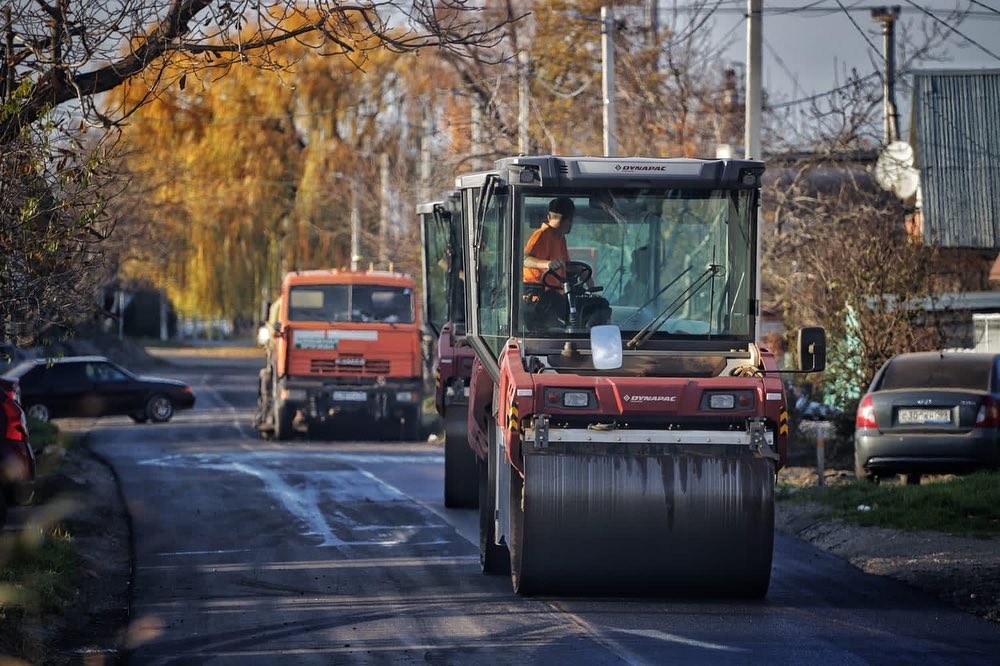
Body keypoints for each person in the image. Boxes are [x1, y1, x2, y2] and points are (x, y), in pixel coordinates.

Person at [522, 197, 610, 330]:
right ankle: (586, 337)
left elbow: (566, 265)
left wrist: (581, 270)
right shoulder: (541, 235)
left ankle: (585, 336)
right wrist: (547, 264)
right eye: (571, 220)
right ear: (570, 219)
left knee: (598, 305)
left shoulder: (560, 237)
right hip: (539, 298)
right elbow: (525, 260)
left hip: (555, 294)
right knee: (598, 307)